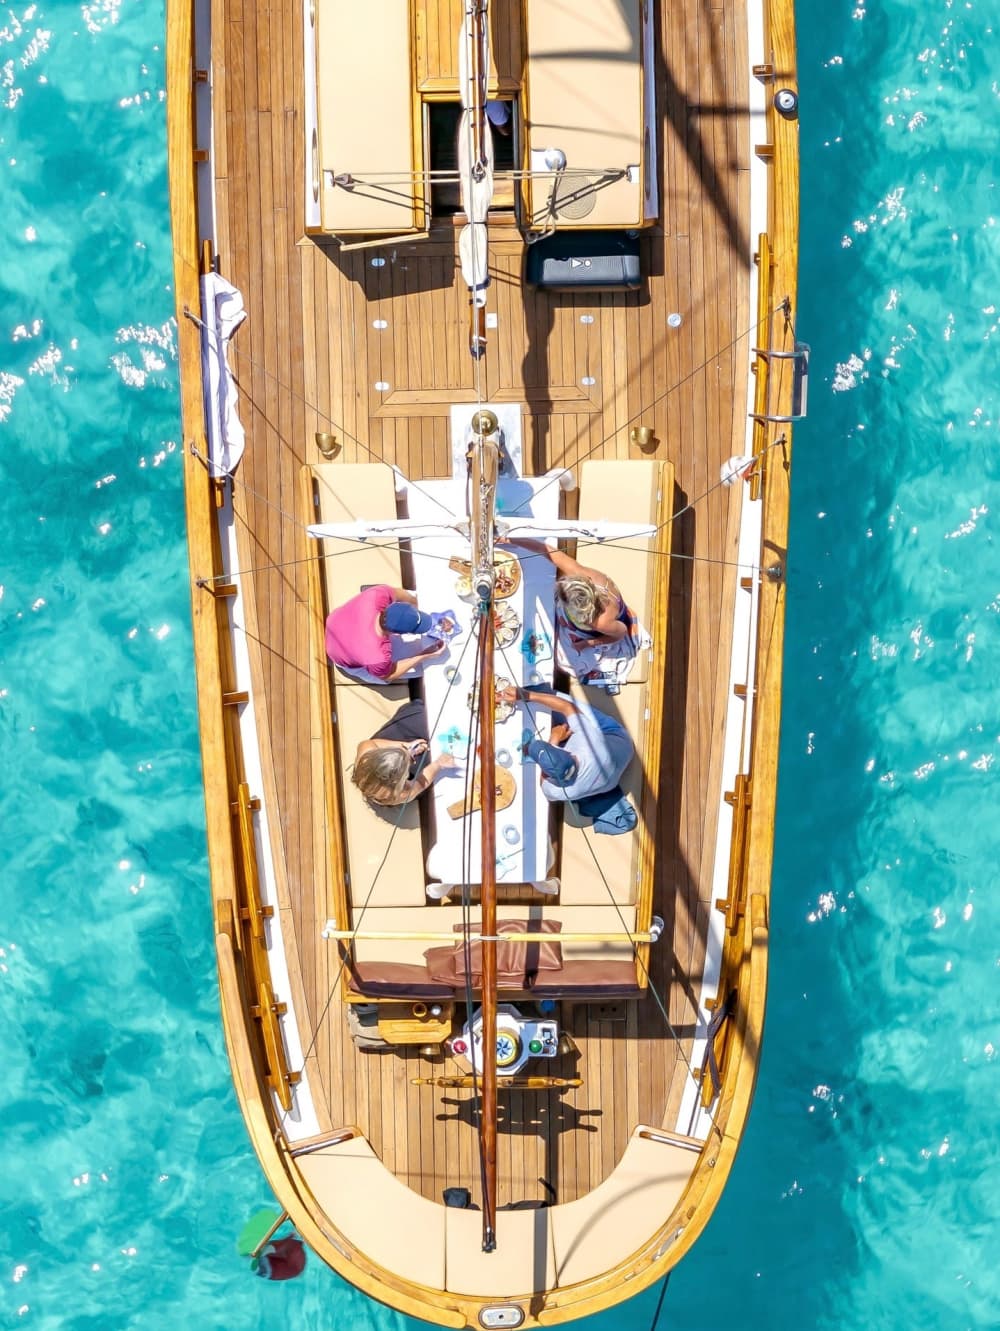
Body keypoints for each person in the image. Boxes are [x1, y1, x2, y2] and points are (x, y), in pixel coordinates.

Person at [505, 538, 649, 686]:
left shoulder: (601, 622)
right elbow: (545, 549)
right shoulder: (583, 573)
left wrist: (587, 643)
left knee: (559, 658)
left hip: (591, 633)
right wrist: (510, 540)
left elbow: (621, 633)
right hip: (575, 619)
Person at [498, 685, 633, 803]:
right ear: (566, 752)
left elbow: (543, 782)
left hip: (609, 755)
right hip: (615, 743)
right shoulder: (589, 743)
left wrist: (554, 739)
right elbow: (567, 707)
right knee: (540, 693)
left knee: (542, 700)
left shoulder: (556, 791)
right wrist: (525, 694)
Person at [325, 585, 448, 683]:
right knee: (420, 668)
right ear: (398, 633)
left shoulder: (378, 594)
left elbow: (402, 594)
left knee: (412, 594)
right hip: (338, 655)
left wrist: (415, 602)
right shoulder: (377, 657)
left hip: (335, 621)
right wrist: (423, 656)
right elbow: (389, 675)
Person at [352, 699, 460, 807]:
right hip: (408, 780)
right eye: (409, 760)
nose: (411, 757)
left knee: (423, 714)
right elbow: (422, 783)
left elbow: (370, 743)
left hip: (397, 738)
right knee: (445, 743)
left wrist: (405, 745)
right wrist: (439, 764)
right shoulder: (400, 794)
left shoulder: (364, 757)